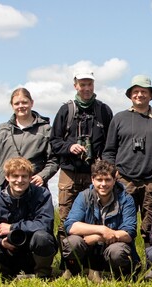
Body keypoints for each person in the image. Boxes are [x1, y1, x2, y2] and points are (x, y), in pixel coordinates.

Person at [103, 75, 152, 245]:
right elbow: (109, 150)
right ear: (130, 95)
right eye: (135, 91)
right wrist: (112, 171)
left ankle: (151, 264)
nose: (139, 95)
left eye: (144, 91)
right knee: (122, 222)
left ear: (150, 95)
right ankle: (125, 262)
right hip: (124, 179)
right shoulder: (119, 118)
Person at [49, 71, 113, 246]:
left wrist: (103, 163)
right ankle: (68, 263)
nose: (86, 88)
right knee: (65, 217)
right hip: (69, 172)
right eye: (82, 84)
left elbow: (111, 143)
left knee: (95, 216)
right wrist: (69, 147)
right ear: (75, 85)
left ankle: (93, 263)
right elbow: (54, 141)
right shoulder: (66, 110)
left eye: (89, 84)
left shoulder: (104, 111)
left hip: (95, 174)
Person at [0, 157, 57, 279]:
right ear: (7, 177)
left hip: (32, 251)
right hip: (7, 252)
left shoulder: (42, 195)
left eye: (24, 176)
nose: (20, 180)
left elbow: (45, 224)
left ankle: (42, 276)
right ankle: (6, 276)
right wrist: (0, 242)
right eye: (15, 176)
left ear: (30, 177)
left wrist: (12, 227)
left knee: (43, 237)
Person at [62, 160, 140, 282]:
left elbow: (129, 233)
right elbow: (71, 226)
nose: (103, 184)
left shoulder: (126, 199)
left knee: (117, 251)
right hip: (89, 249)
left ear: (114, 180)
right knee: (72, 242)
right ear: (93, 180)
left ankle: (120, 275)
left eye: (108, 180)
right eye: (99, 180)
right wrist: (102, 230)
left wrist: (98, 237)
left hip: (112, 248)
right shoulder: (83, 196)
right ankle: (76, 270)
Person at [0, 88, 58, 200]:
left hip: (34, 188)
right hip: (5, 188)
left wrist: (42, 176)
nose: (21, 106)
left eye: (24, 102)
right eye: (17, 103)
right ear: (12, 105)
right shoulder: (3, 129)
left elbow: (54, 159)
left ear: (31, 103)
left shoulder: (45, 130)